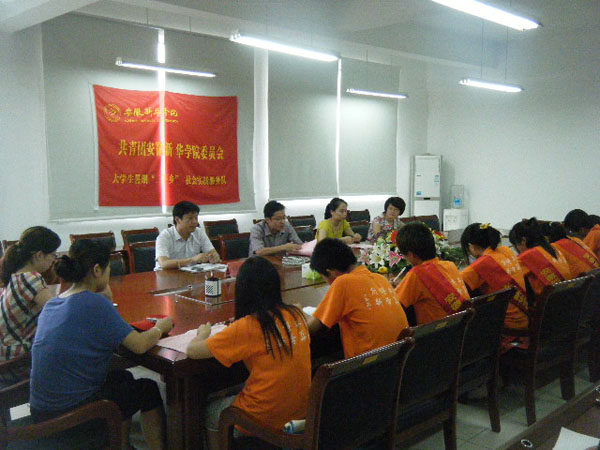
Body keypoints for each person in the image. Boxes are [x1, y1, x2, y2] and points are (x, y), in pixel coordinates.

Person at [30, 239, 174, 450]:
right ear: (97, 270)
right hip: (70, 418)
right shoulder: (94, 303)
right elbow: (140, 345)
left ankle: (121, 445)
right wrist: (160, 327)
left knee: (123, 378)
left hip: (42, 411)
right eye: (108, 270)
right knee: (148, 389)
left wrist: (105, 298)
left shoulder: (55, 302)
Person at [186, 257, 310, 449]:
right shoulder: (296, 314)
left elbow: (192, 351)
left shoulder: (249, 326)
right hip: (300, 416)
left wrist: (202, 334)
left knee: (211, 410)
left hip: (263, 421)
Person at [305, 238, 408, 358]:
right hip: (399, 358)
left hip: (367, 364)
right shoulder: (380, 278)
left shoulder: (343, 282)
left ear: (330, 272)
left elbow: (313, 327)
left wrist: (295, 315)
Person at [0, 226, 60, 385]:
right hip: (16, 363)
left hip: (6, 357)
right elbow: (59, 313)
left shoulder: (16, 276)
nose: (54, 260)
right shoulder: (30, 278)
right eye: (53, 255)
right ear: (39, 255)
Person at [394, 223, 469, 325]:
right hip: (461, 327)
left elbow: (394, 304)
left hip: (436, 332)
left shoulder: (417, 274)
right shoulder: (450, 265)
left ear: (411, 255)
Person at [459, 223, 529, 329]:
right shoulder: (506, 250)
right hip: (523, 318)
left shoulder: (483, 263)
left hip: (505, 326)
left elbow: (456, 285)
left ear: (472, 246)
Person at [509, 218, 572, 297]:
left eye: (515, 246)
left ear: (523, 240)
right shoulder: (554, 250)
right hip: (565, 297)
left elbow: (509, 276)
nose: (517, 251)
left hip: (547, 301)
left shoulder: (528, 256)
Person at [155, 200, 221, 270]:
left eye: (196, 218)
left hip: (190, 273)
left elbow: (213, 253)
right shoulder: (164, 236)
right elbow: (164, 263)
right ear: (177, 220)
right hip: (166, 274)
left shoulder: (199, 232)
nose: (195, 222)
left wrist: (214, 257)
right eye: (190, 218)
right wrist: (192, 260)